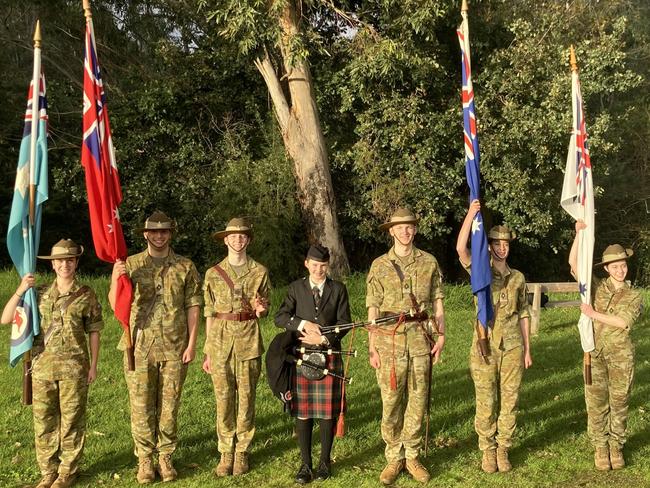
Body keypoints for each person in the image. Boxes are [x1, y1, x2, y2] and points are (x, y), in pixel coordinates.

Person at [109, 211, 202, 484]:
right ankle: (145, 459)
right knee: (140, 406)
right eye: (154, 231)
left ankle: (165, 456)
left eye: (164, 231)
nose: (159, 235)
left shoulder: (185, 266)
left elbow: (193, 306)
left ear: (170, 234)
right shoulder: (132, 264)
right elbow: (116, 304)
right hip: (138, 345)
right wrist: (116, 278)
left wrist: (192, 343)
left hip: (175, 346)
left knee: (169, 405)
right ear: (146, 234)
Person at [2, 239, 103, 488]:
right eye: (60, 261)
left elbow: (94, 331)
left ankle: (67, 471)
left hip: (74, 368)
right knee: (44, 421)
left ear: (76, 262)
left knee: (72, 421)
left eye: (69, 260)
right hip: (42, 369)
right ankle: (48, 471)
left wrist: (93, 365)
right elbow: (5, 319)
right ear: (53, 264)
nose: (64, 265)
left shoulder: (86, 294)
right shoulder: (38, 293)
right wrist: (21, 289)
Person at [366, 208, 446, 485]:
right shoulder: (379, 265)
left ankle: (411, 455)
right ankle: (393, 457)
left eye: (410, 226)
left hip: (420, 340)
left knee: (418, 398)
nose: (405, 231)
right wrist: (372, 346)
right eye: (400, 227)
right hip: (389, 341)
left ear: (415, 229)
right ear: (391, 231)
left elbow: (437, 301)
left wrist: (442, 335)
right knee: (390, 401)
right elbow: (373, 309)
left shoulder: (429, 262)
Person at [456, 199, 532, 473]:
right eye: (497, 243)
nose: (502, 247)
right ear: (489, 245)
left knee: (510, 400)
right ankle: (487, 450)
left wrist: (527, 349)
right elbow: (460, 250)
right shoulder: (481, 271)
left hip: (512, 345)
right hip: (484, 345)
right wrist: (470, 215)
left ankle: (503, 448)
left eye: (506, 244)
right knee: (486, 400)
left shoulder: (518, 277)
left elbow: (524, 313)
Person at [274, 244, 352, 484]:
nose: (319, 270)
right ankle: (305, 465)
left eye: (323, 266)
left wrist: (324, 338)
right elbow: (280, 317)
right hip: (302, 357)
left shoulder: (338, 289)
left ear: (328, 266)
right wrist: (302, 324)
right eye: (315, 265)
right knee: (304, 412)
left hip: (328, 353)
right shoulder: (296, 288)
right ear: (307, 263)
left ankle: (325, 463)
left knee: (328, 413)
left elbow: (345, 322)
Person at [569, 220, 642, 471]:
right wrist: (578, 235)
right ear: (607, 268)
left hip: (621, 357)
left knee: (620, 402)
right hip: (595, 354)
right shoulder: (596, 287)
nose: (620, 270)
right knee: (596, 402)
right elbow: (574, 265)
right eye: (615, 266)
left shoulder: (634, 296)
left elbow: (623, 322)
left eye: (623, 265)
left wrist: (592, 314)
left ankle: (616, 445)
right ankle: (601, 446)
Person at [202, 217, 270, 477]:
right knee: (223, 399)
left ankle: (242, 451)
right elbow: (209, 312)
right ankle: (225, 452)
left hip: (248, 341)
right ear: (226, 240)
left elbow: (265, 307)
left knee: (247, 397)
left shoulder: (260, 272)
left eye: (242, 236)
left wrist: (261, 310)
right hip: (219, 342)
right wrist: (207, 350)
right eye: (233, 236)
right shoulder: (212, 274)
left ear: (248, 240)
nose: (238, 240)